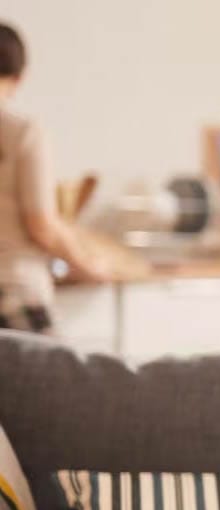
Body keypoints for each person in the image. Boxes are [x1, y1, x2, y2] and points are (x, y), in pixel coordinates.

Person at [0, 22, 110, 334]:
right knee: (60, 383)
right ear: (20, 77)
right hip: (14, 291)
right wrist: (88, 265)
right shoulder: (21, 132)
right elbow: (41, 225)